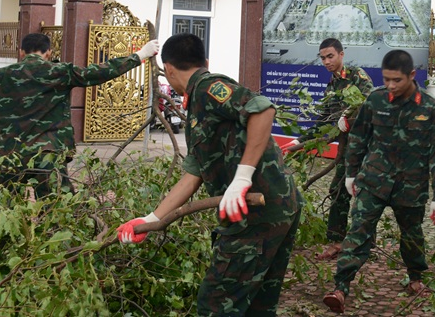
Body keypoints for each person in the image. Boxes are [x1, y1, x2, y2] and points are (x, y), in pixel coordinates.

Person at [117, 33, 303, 317]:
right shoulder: (197, 104)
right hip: (279, 206)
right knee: (258, 306)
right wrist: (152, 219)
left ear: (169, 69)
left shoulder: (208, 89)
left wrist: (242, 178)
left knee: (215, 304)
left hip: (255, 215)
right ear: (205, 60)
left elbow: (263, 110)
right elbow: (193, 175)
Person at [0, 33, 158, 200]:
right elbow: (99, 72)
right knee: (55, 214)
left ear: (21, 52)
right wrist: (139, 55)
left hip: (10, 155)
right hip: (49, 154)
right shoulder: (60, 71)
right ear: (48, 53)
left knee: (5, 217)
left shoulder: (1, 75)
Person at [322, 50, 435, 314]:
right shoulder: (375, 100)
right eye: (386, 79)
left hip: (411, 186)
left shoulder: (429, 107)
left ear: (411, 75)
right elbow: (359, 138)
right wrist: (351, 173)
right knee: (358, 232)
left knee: (412, 235)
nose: (390, 85)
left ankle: (415, 278)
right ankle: (340, 288)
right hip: (373, 181)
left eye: (396, 80)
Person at [289, 38, 374, 261]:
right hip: (348, 150)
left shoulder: (357, 76)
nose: (327, 61)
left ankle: (364, 244)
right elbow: (323, 121)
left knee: (365, 194)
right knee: (338, 190)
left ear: (341, 55)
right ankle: (337, 241)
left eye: (330, 56)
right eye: (323, 58)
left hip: (368, 146)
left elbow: (369, 103)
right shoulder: (332, 86)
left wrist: (349, 117)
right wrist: (299, 141)